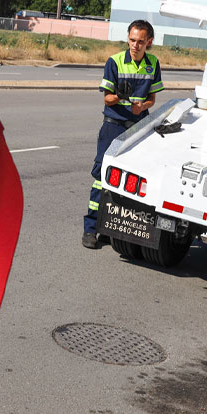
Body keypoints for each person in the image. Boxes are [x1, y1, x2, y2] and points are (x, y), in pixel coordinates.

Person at [82, 19, 164, 249]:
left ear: (149, 42)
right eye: (131, 40)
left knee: (131, 179)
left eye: (140, 42)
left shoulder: (153, 63)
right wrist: (118, 96)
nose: (135, 46)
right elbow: (106, 98)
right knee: (102, 177)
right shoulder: (115, 61)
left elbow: (152, 99)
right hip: (114, 126)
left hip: (138, 128)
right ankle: (90, 229)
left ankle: (111, 229)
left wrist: (142, 106)